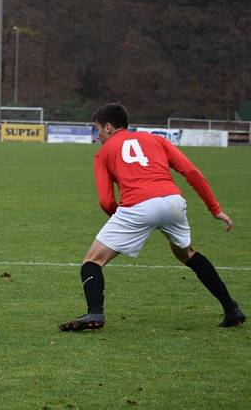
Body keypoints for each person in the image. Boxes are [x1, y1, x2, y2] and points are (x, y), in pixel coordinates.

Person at [59, 103, 245, 332]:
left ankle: (94, 312)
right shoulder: (156, 139)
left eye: (97, 129)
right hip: (173, 202)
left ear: (108, 127)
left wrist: (124, 221)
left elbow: (106, 201)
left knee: (92, 261)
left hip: (138, 206)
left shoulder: (104, 152)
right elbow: (191, 172)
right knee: (186, 253)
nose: (97, 135)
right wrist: (215, 209)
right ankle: (232, 309)